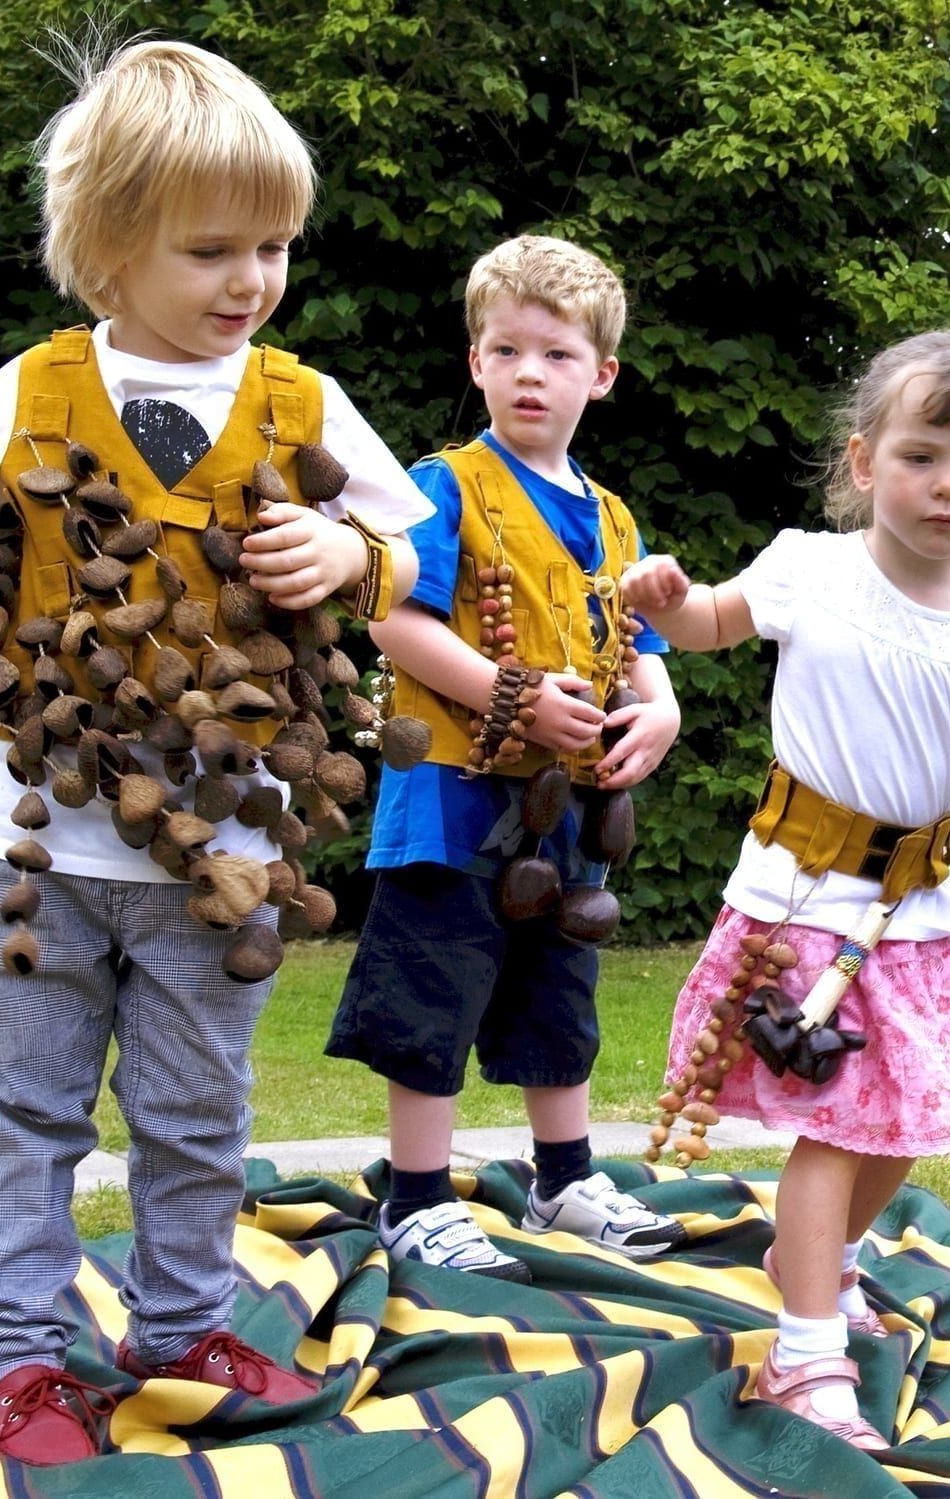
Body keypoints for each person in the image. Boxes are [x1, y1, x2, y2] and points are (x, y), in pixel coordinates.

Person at [0, 39, 431, 1465]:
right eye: (214, 248)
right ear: (109, 250)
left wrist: (348, 553)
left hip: (228, 851)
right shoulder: (40, 384)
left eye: (276, 244)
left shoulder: (299, 401)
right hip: (37, 844)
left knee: (195, 1111)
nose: (253, 278)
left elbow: (408, 546)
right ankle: (5, 1358)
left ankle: (180, 1328)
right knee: (21, 1109)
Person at [621, 329, 950, 1449]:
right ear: (865, 461)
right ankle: (805, 1351)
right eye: (923, 455)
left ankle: (821, 1260)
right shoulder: (811, 568)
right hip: (799, 893)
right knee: (835, 1122)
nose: (948, 484)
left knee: (901, 1121)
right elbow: (709, 622)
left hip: (906, 910)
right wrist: (663, 600)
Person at [326, 235, 685, 1281]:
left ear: (602, 374)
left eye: (558, 353)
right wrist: (510, 694)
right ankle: (419, 1197)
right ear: (476, 362)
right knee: (433, 988)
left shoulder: (613, 518)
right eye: (507, 349)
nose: (532, 372)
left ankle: (563, 1177)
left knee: (557, 991)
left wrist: (656, 713)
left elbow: (640, 648)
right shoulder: (440, 487)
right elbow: (392, 619)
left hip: (567, 809)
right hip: (451, 794)